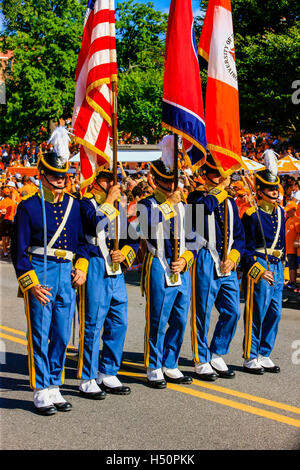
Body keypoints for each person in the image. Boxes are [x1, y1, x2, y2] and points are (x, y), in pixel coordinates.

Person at [11, 149, 88, 415]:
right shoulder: (28, 207)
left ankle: (55, 383)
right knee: (40, 333)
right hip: (40, 269)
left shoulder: (73, 205)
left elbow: (82, 243)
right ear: (42, 176)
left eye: (63, 175)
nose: (60, 179)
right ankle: (40, 387)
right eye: (54, 175)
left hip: (66, 270)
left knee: (61, 334)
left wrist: (82, 266)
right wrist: (30, 283)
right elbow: (18, 252)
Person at [137, 136, 195, 388]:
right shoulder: (145, 204)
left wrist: (185, 259)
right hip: (158, 265)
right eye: (165, 182)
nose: (170, 187)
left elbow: (195, 239)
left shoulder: (185, 205)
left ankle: (170, 362)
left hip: (181, 269)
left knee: (180, 318)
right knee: (158, 318)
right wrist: (170, 206)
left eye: (173, 183)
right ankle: (153, 364)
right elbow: (146, 227)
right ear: (155, 180)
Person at [77, 167, 139, 399]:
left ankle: (108, 370)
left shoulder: (117, 208)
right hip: (94, 265)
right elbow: (94, 225)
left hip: (116, 272)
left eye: (114, 181)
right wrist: (111, 201)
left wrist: (124, 254)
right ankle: (87, 375)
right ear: (96, 182)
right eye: (107, 180)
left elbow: (132, 238)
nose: (113, 185)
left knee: (118, 322)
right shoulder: (85, 204)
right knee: (92, 323)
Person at [187, 154, 245, 381]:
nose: (221, 178)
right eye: (215, 174)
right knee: (201, 312)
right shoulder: (195, 197)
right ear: (205, 176)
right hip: (204, 259)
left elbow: (240, 236)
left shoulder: (230, 203)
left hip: (226, 265)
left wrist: (233, 257)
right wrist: (220, 190)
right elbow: (202, 212)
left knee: (232, 311)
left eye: (223, 174)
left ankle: (216, 352)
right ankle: (201, 359)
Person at [241, 158, 289, 374]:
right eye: (269, 188)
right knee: (256, 311)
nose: (274, 192)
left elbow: (283, 244)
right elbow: (245, 249)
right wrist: (258, 271)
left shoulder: (280, 212)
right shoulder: (251, 215)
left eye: (275, 188)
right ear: (259, 191)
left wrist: (284, 270)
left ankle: (264, 353)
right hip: (261, 265)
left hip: (277, 265)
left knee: (275, 313)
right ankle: (250, 356)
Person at [284, 201, 300, 291]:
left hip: (295, 249)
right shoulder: (288, 220)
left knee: (294, 266)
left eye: (288, 211)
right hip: (289, 248)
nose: (287, 213)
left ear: (294, 210)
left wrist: (297, 242)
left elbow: (299, 233)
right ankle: (291, 281)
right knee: (290, 265)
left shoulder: (297, 220)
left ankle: (294, 282)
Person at [0, 187, 17, 257]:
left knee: (3, 236)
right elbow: (15, 212)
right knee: (9, 236)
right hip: (11, 220)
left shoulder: (1, 202)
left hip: (3, 220)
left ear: (3, 194)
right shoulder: (13, 202)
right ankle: (8, 249)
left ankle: (5, 251)